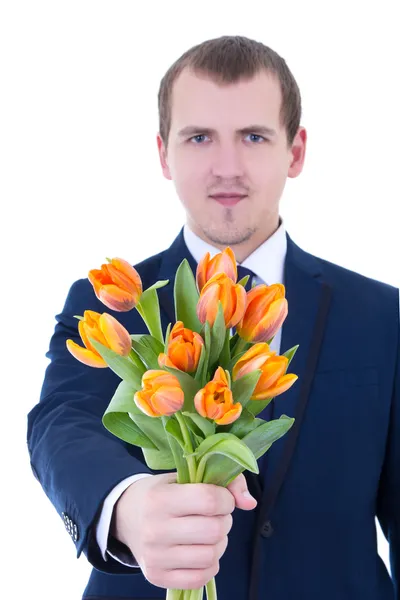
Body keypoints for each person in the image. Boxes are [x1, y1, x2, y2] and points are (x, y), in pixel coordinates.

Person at [27, 35, 399, 600]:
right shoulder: (107, 300)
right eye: (199, 137)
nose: (227, 168)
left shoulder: (381, 315)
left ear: (295, 152)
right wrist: (125, 505)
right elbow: (61, 424)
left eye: (253, 136)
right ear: (163, 153)